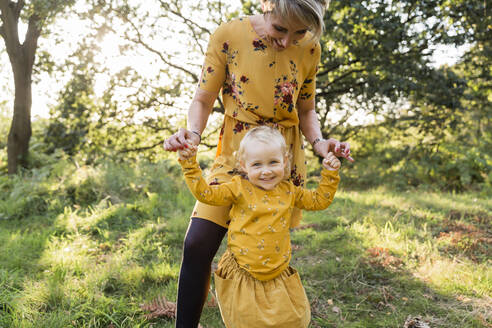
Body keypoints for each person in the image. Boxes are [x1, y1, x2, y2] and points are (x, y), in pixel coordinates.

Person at [163, 1, 353, 326]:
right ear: (267, 4)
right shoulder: (229, 35)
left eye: (300, 32)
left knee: (263, 250)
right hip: (237, 155)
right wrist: (193, 133)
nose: (288, 41)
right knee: (197, 244)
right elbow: (203, 98)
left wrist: (321, 144)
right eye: (280, 29)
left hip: (279, 160)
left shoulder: (309, 49)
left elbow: (306, 110)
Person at [174, 126, 341, 327]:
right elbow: (206, 194)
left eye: (273, 162)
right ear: (244, 166)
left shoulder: (289, 190)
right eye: (257, 164)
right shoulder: (238, 188)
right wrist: (189, 164)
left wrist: (330, 174)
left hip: (277, 272)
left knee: (291, 321)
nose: (266, 171)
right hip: (244, 273)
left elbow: (318, 201)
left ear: (285, 161)